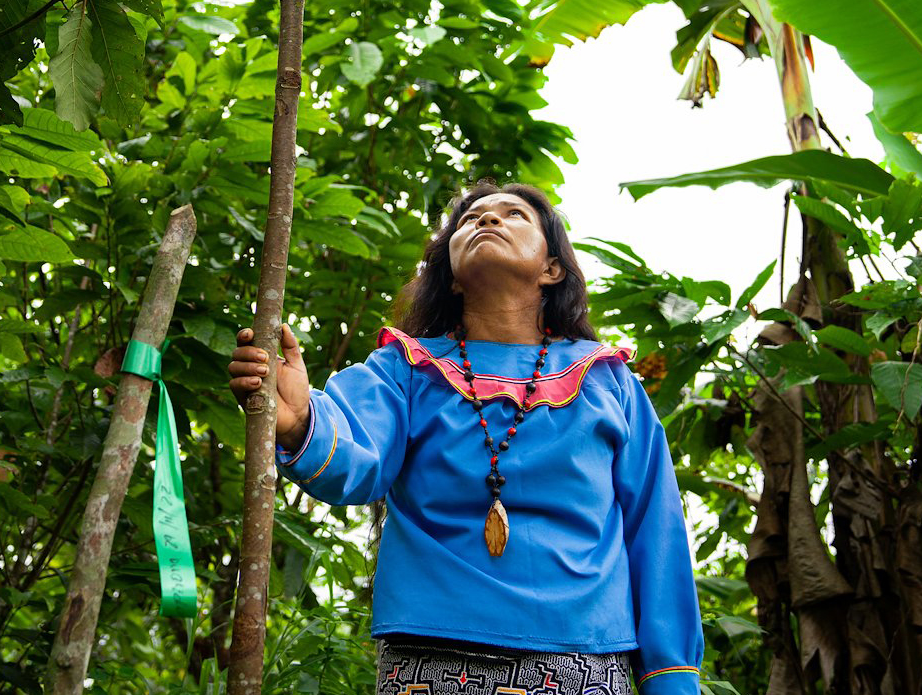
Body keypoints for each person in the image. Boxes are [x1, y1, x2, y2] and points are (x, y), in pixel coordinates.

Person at [230, 180, 704, 695]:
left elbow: (655, 531)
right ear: (452, 278)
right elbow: (355, 449)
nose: (488, 220)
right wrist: (300, 418)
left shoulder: (608, 381)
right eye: (471, 218)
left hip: (584, 659)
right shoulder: (406, 369)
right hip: (428, 658)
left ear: (553, 269)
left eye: (513, 214)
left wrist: (671, 676)